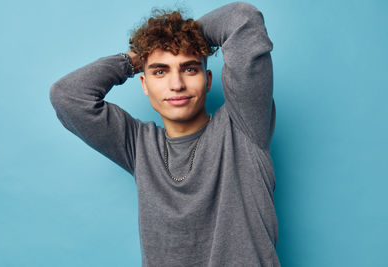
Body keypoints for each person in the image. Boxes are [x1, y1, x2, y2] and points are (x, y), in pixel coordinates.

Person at [50, 2, 279, 266]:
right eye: (160, 71)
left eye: (189, 68)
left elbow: (242, 18)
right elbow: (67, 95)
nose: (177, 84)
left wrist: (181, 36)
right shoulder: (137, 145)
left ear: (208, 80)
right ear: (144, 84)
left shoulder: (243, 126)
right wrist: (136, 58)